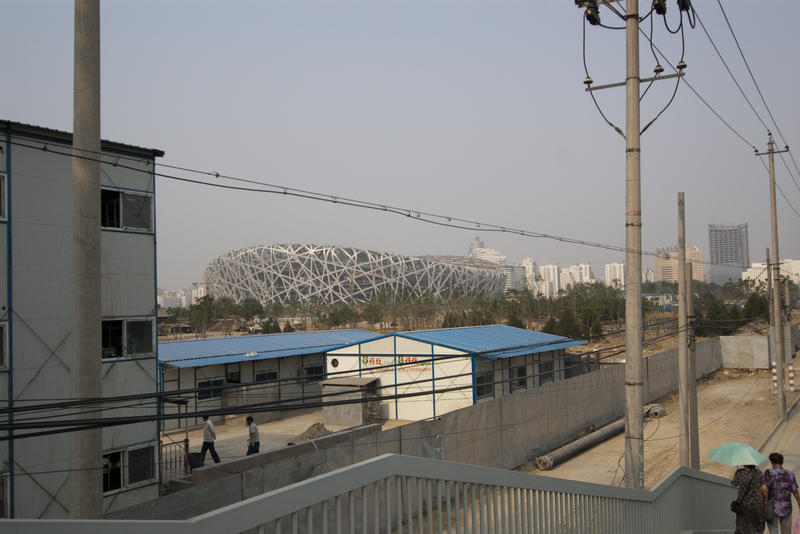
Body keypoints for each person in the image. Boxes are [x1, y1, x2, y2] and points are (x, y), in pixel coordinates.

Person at [765, 452, 800, 533]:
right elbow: (795, 492)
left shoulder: (769, 473)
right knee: (786, 531)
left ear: (771, 462)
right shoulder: (790, 474)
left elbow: (765, 489)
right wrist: (799, 504)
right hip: (786, 507)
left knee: (773, 529)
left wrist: (765, 501)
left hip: (772, 506)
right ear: (782, 462)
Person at [730, 464, 768, 534]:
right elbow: (764, 489)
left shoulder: (739, 472)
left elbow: (733, 485)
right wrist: (765, 500)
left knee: (742, 526)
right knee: (758, 525)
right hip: (757, 504)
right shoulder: (759, 474)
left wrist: (737, 475)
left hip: (742, 504)